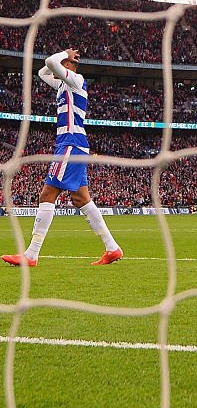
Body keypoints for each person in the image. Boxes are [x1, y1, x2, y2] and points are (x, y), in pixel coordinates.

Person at [2, 49, 123, 267]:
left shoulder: (76, 80)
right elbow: (42, 71)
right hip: (72, 144)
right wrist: (62, 58)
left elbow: (50, 61)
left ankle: (31, 254)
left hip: (70, 144)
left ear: (67, 66)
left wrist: (64, 54)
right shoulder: (62, 86)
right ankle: (112, 248)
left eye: (63, 64)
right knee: (81, 199)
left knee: (47, 194)